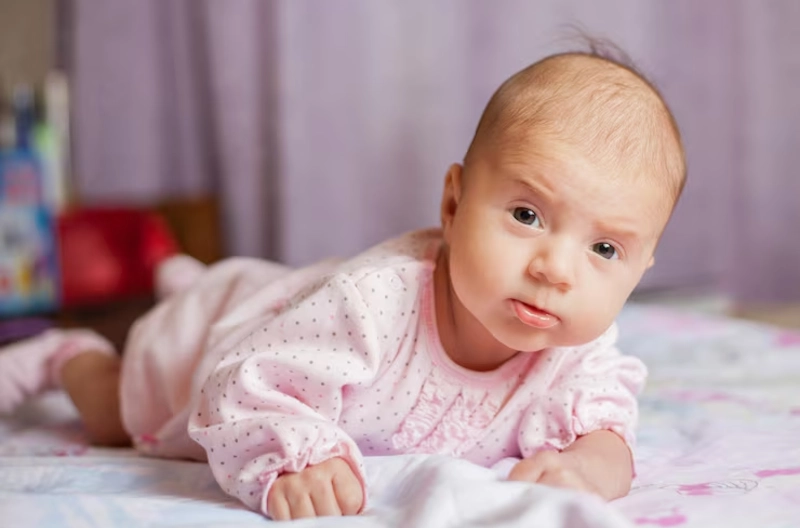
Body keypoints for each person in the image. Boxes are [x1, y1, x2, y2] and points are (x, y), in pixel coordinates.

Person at [0, 49, 685, 521]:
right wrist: (296, 458)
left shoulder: (576, 350)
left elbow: (606, 431)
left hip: (298, 314)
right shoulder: (374, 306)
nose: (556, 269)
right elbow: (238, 387)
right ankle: (70, 354)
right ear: (452, 204)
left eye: (604, 249)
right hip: (213, 343)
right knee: (114, 417)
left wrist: (592, 466)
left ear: (641, 269)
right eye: (527, 215)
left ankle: (180, 274)